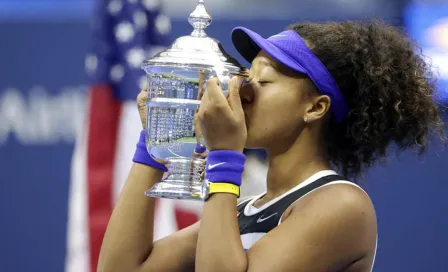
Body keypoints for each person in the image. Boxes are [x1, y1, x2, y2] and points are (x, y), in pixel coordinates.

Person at [97, 20, 446, 272]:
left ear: (315, 108)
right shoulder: (241, 210)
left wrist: (226, 157)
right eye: (246, 77)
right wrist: (157, 142)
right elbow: (122, 267)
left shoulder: (342, 205)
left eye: (264, 80)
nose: (243, 92)